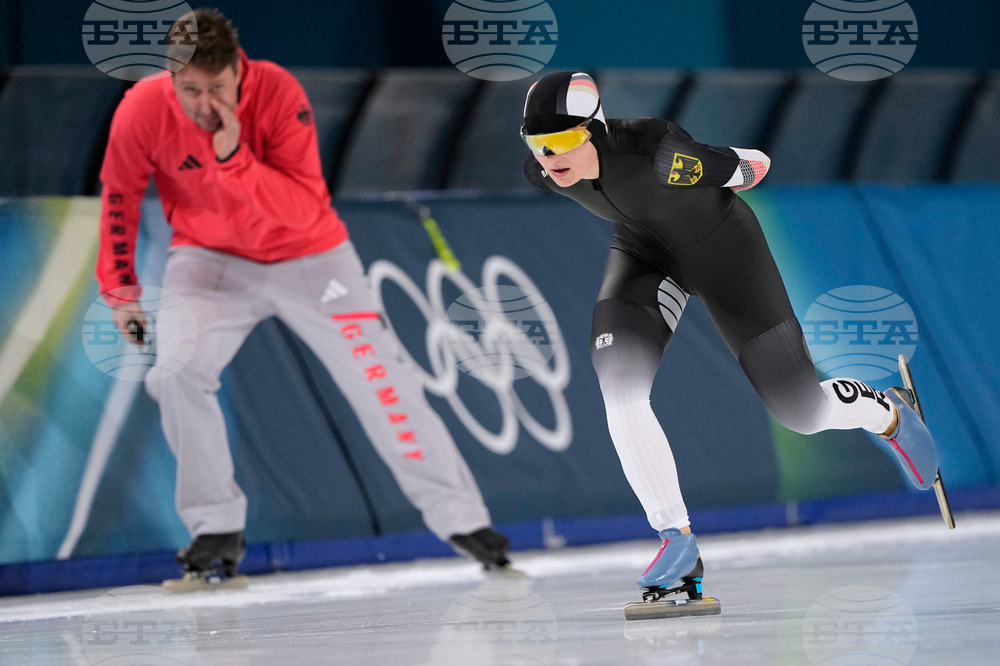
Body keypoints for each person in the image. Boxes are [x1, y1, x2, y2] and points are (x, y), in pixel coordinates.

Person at [96, 8, 510, 580]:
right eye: (189, 89)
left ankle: (464, 521)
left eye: (216, 87)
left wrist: (234, 157)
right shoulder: (143, 107)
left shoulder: (278, 93)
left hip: (313, 262)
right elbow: (119, 194)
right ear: (171, 79)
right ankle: (215, 525)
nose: (203, 104)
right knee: (173, 372)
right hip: (210, 261)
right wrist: (120, 287)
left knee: (382, 384)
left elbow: (302, 208)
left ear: (238, 72)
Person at [520, 71, 938, 601]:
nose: (548, 157)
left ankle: (887, 411)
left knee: (802, 414)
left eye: (559, 141)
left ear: (595, 130)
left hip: (728, 259)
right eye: (536, 143)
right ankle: (677, 539)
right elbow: (556, 162)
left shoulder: (656, 150)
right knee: (620, 390)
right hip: (645, 258)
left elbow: (754, 164)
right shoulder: (545, 169)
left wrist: (734, 167)